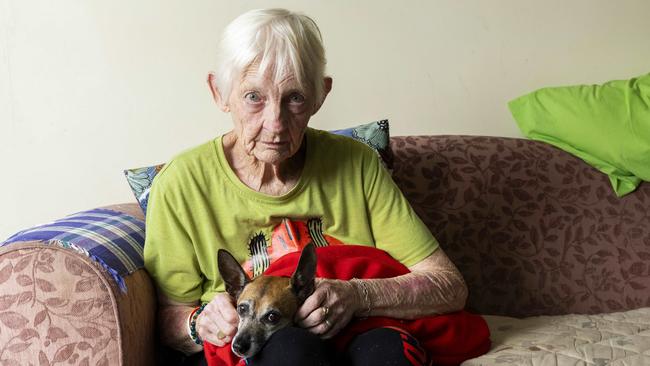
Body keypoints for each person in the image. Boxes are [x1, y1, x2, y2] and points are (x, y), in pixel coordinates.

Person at [143, 8, 468, 366]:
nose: (276, 123)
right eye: (254, 96)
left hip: (357, 331)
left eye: (294, 97)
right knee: (290, 350)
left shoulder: (357, 164)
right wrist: (199, 323)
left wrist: (357, 295)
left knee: (388, 352)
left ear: (320, 95)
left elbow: (448, 285)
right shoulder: (181, 183)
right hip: (265, 347)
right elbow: (164, 318)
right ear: (219, 92)